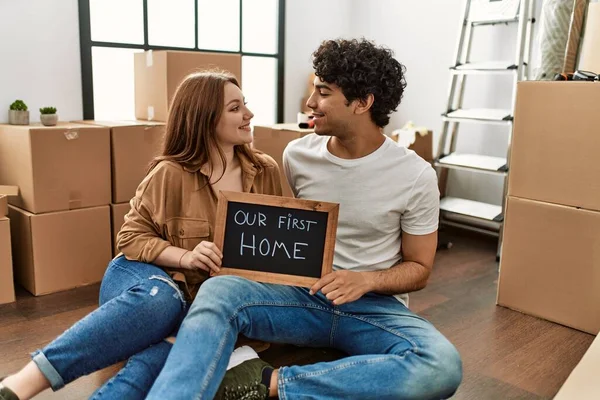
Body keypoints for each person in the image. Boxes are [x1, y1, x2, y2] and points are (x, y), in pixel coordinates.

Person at [146, 38, 463, 400]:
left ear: (363, 103)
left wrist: (366, 280)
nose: (310, 102)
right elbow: (286, 233)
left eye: (323, 92)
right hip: (301, 297)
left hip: (373, 307)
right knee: (219, 291)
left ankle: (271, 383)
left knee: (442, 364)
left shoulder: (416, 176)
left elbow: (420, 267)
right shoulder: (297, 155)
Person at [0, 71, 282, 400]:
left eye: (244, 104)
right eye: (235, 108)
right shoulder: (170, 173)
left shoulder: (265, 172)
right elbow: (130, 238)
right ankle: (20, 384)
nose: (249, 114)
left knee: (178, 341)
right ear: (203, 118)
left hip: (202, 302)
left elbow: (278, 247)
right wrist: (186, 257)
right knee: (163, 301)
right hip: (142, 277)